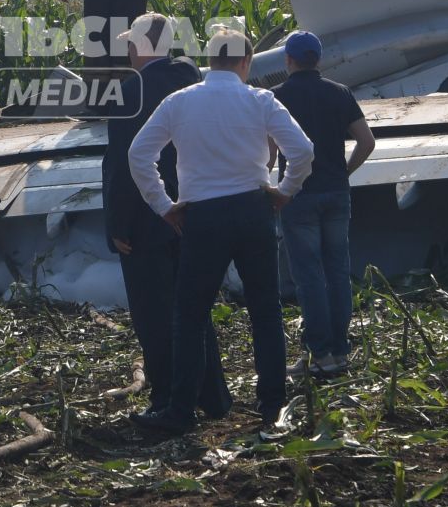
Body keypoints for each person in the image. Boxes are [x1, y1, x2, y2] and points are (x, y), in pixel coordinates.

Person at [128, 22, 312, 436]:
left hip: (202, 216)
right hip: (252, 209)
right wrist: (284, 191)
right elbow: (302, 151)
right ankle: (271, 403)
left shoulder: (179, 103)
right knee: (265, 310)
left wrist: (163, 205)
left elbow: (139, 155)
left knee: (190, 313)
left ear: (211, 60)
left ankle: (180, 409)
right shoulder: (260, 100)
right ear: (246, 61)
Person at [100, 13, 212, 428]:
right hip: (197, 207)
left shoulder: (131, 92)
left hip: (148, 219)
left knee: (155, 312)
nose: (127, 51)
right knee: (196, 307)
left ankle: (167, 397)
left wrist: (116, 225)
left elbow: (121, 164)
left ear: (143, 47)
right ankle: (211, 391)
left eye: (131, 44)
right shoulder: (191, 78)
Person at [272, 31, 375, 379]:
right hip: (336, 193)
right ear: (318, 59)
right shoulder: (339, 93)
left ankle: (320, 354)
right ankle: (340, 351)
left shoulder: (278, 98)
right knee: (337, 271)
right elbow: (366, 141)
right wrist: (345, 172)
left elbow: (269, 154)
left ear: (288, 60)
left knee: (309, 276)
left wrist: (273, 187)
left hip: (298, 195)